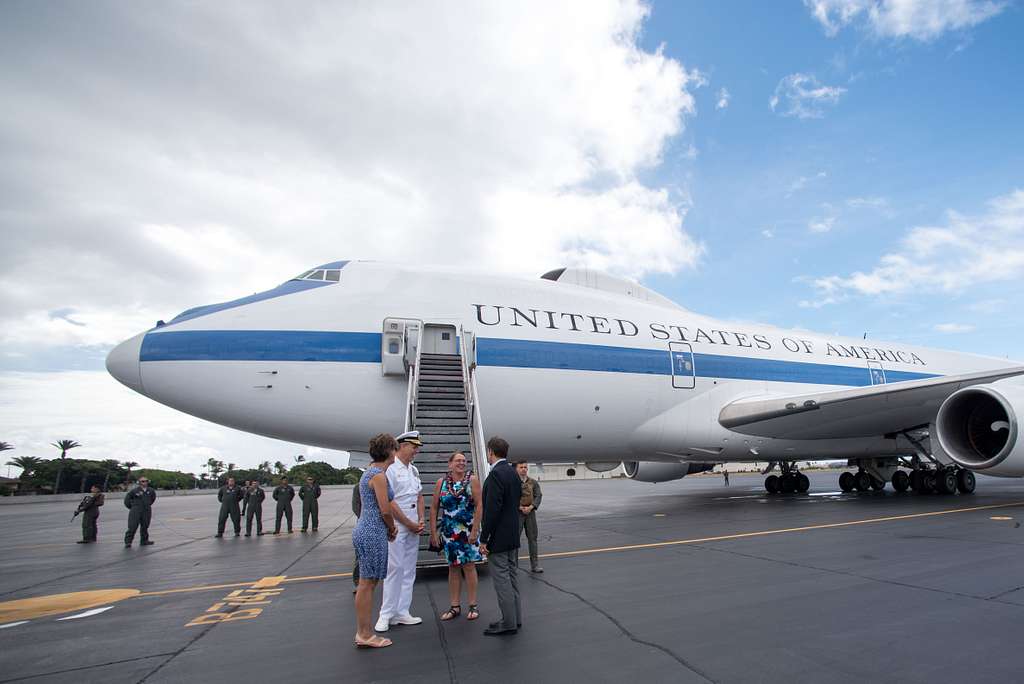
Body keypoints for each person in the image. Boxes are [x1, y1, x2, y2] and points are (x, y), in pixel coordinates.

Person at [375, 430, 425, 632]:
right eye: (414, 448)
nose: (416, 452)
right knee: (394, 569)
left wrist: (420, 519)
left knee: (408, 570)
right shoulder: (390, 470)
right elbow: (389, 501)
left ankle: (402, 612)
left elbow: (419, 496)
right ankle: (386, 614)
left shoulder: (413, 470)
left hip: (413, 525)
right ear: (402, 446)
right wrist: (408, 523)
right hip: (398, 526)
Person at [353, 433, 398, 649]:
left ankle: (364, 631)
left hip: (367, 529)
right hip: (373, 530)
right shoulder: (379, 475)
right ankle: (364, 633)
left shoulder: (370, 472)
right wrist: (391, 528)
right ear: (390, 451)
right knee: (368, 584)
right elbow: (385, 509)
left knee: (367, 583)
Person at [429, 452, 483, 621]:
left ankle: (473, 605)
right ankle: (455, 606)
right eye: (457, 461)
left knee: (469, 566)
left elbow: (480, 505)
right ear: (450, 464)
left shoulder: (472, 480)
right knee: (453, 568)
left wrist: (475, 530)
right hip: (449, 532)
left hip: (468, 531)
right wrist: (433, 533)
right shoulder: (441, 483)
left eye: (463, 461)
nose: (461, 463)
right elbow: (434, 508)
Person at [479, 436, 522, 636]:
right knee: (512, 578)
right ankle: (515, 618)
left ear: (491, 452)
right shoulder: (513, 473)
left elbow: (492, 510)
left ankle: (508, 623)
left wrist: (484, 538)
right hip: (513, 535)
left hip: (500, 537)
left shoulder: (496, 475)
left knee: (502, 580)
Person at [515, 461, 543, 573]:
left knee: (533, 539)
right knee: (515, 540)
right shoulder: (512, 482)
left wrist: (531, 507)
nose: (523, 469)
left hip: (530, 513)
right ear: (516, 469)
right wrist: (519, 507)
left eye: (525, 467)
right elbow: (509, 496)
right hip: (517, 513)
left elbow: (538, 496)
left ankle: (535, 565)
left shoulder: (533, 482)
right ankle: (514, 566)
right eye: (521, 467)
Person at [124, 477, 156, 547]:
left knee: (145, 526)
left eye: (146, 481)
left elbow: (153, 498)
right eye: (142, 481)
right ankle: (128, 542)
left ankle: (144, 540)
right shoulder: (134, 491)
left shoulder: (151, 490)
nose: (144, 482)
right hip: (136, 510)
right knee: (132, 526)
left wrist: (148, 504)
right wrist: (133, 507)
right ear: (139, 482)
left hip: (146, 510)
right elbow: (127, 500)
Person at [351, 478, 362, 593]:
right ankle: (358, 582)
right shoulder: (358, 487)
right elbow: (355, 506)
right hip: (364, 523)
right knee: (360, 555)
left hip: (380, 522)